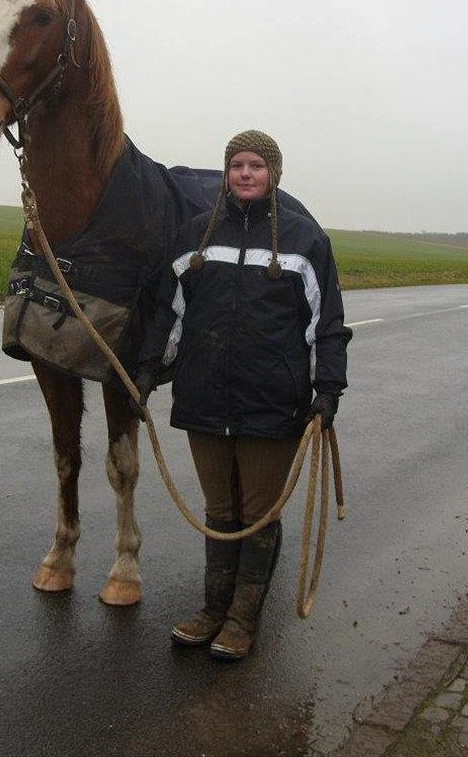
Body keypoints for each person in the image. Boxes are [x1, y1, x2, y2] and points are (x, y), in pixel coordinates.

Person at [133, 130, 352, 660]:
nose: (245, 173)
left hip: (272, 404)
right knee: (219, 509)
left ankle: (243, 618)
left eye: (256, 165)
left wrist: (328, 391)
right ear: (227, 173)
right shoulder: (193, 238)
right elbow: (170, 315)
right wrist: (146, 371)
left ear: (273, 173)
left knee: (257, 513)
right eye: (236, 165)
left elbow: (327, 324)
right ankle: (212, 609)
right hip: (204, 399)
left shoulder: (305, 240)